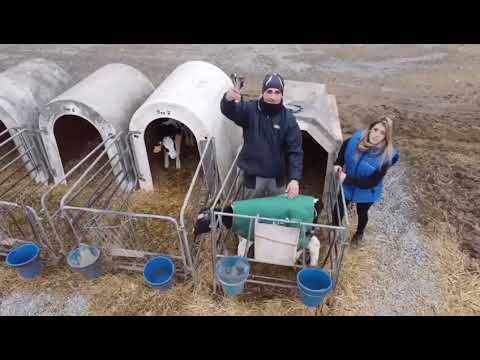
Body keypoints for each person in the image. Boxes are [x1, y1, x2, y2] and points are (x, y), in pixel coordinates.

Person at [220, 73, 303, 200]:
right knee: (249, 215)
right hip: (252, 179)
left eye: (277, 92)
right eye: (269, 91)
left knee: (275, 215)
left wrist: (294, 179)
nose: (272, 96)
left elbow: (295, 152)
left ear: (282, 95)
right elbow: (229, 111)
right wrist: (228, 99)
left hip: (277, 180)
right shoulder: (250, 110)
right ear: (263, 92)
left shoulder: (289, 120)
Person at [333, 116, 400, 247]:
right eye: (375, 129)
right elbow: (345, 147)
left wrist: (346, 178)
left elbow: (372, 182)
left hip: (367, 191)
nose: (376, 135)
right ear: (369, 129)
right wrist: (338, 163)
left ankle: (359, 234)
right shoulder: (356, 140)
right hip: (347, 185)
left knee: (362, 213)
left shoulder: (386, 157)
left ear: (386, 137)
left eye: (382, 133)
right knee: (338, 208)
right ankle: (334, 230)